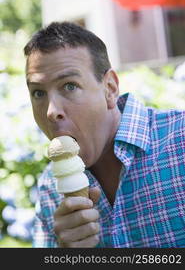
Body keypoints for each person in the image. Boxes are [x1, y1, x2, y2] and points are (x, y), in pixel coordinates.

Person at [24, 21, 185, 248]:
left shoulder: (180, 141)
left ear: (109, 88)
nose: (51, 111)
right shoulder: (51, 188)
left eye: (69, 86)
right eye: (38, 93)